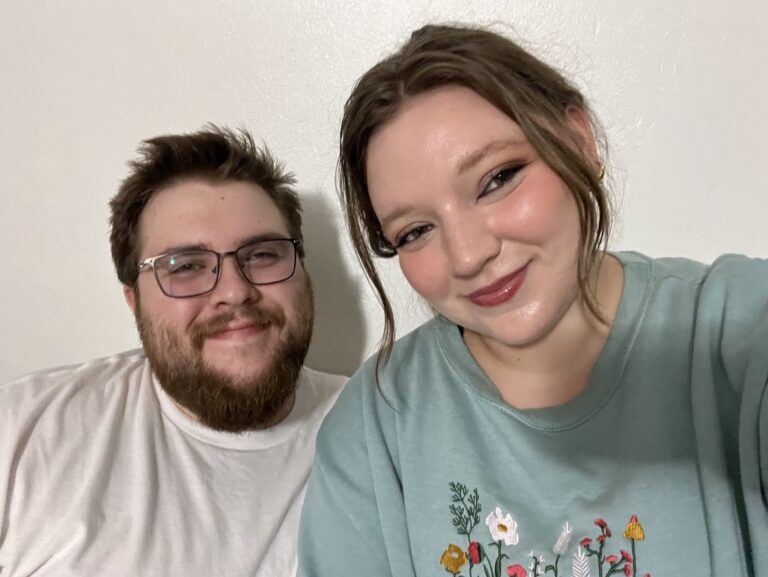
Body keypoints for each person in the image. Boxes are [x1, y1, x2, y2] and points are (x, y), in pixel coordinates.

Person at [298, 23, 768, 577]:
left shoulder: (742, 327)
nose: (468, 255)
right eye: (415, 231)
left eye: (498, 179)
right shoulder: (375, 426)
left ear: (578, 140)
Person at [0, 126, 346, 576]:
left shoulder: (381, 431)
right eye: (185, 266)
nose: (235, 292)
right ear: (134, 301)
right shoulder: (22, 431)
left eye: (262, 255)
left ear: (303, 273)